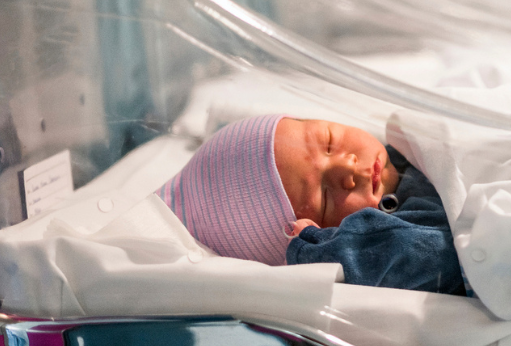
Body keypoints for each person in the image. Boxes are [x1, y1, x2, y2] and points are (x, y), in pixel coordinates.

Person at [157, 113, 465, 295]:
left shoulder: (407, 149)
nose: (348, 168)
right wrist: (323, 251)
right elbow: (441, 254)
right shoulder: (404, 230)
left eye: (330, 141)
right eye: (326, 198)